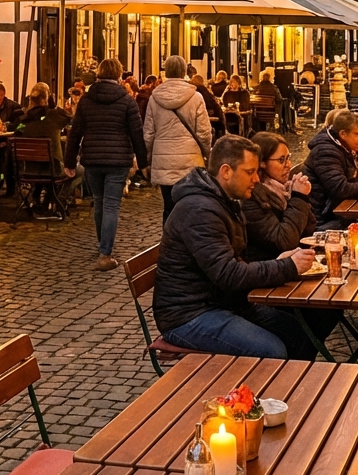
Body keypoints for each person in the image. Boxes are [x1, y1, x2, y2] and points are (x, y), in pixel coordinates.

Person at [153, 136, 321, 359]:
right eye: (249, 172)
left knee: (297, 332)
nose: (255, 179)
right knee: (271, 349)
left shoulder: (225, 201)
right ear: (226, 171)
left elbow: (235, 263)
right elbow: (227, 274)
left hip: (223, 302)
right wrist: (287, 266)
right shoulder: (199, 210)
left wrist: (280, 260)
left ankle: (288, 392)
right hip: (189, 314)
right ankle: (257, 393)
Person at [63, 57, 147, 270]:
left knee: (99, 201)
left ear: (99, 74)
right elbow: (137, 133)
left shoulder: (86, 100)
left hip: (92, 158)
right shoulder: (127, 101)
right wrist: (144, 162)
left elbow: (75, 133)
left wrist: (70, 161)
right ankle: (105, 253)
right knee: (111, 204)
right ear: (119, 75)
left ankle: (103, 245)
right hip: (118, 159)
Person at [143, 56, 212, 221]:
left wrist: (148, 158)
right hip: (190, 160)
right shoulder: (196, 97)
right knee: (190, 206)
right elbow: (204, 132)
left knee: (169, 206)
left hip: (163, 159)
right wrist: (206, 153)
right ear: (184, 72)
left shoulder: (154, 98)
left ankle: (169, 242)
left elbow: (148, 133)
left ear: (166, 72)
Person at [305, 109, 358, 225]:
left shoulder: (348, 146)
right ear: (343, 134)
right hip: (325, 218)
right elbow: (340, 188)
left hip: (342, 209)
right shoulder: (325, 151)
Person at [11, 83, 78, 219]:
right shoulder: (54, 116)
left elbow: (15, 129)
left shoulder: (23, 121)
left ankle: (38, 199)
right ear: (48, 99)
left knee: (45, 168)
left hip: (27, 170)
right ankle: (59, 200)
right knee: (80, 170)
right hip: (53, 170)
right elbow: (73, 119)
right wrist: (54, 106)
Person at [245, 132, 315, 261]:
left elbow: (308, 231)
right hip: (267, 268)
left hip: (289, 263)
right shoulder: (252, 196)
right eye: (281, 160)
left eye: (288, 158)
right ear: (262, 163)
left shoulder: (283, 190)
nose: (288, 164)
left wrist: (301, 198)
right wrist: (298, 197)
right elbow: (284, 242)